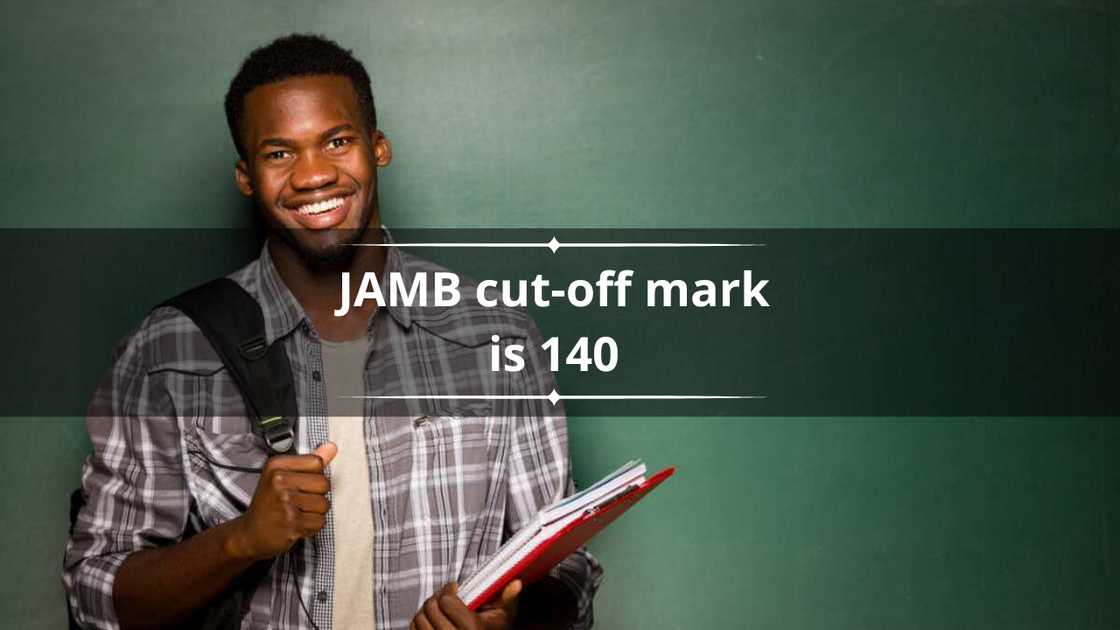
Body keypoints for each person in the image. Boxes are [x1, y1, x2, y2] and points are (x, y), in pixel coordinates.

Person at [63, 34, 601, 630]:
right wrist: (241, 540)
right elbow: (94, 597)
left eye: (337, 141)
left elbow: (566, 570)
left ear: (378, 148)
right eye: (279, 153)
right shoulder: (168, 353)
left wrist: (509, 617)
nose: (313, 175)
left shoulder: (496, 331)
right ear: (246, 176)